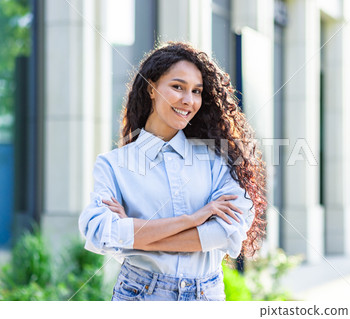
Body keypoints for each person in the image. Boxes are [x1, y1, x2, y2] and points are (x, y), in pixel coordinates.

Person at [78, 42, 267, 301]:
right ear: (152, 88)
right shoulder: (114, 165)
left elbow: (225, 232)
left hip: (206, 296)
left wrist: (135, 236)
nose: (188, 100)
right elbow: (99, 231)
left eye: (196, 91)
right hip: (140, 295)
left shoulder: (217, 159)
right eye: (177, 87)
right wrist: (193, 220)